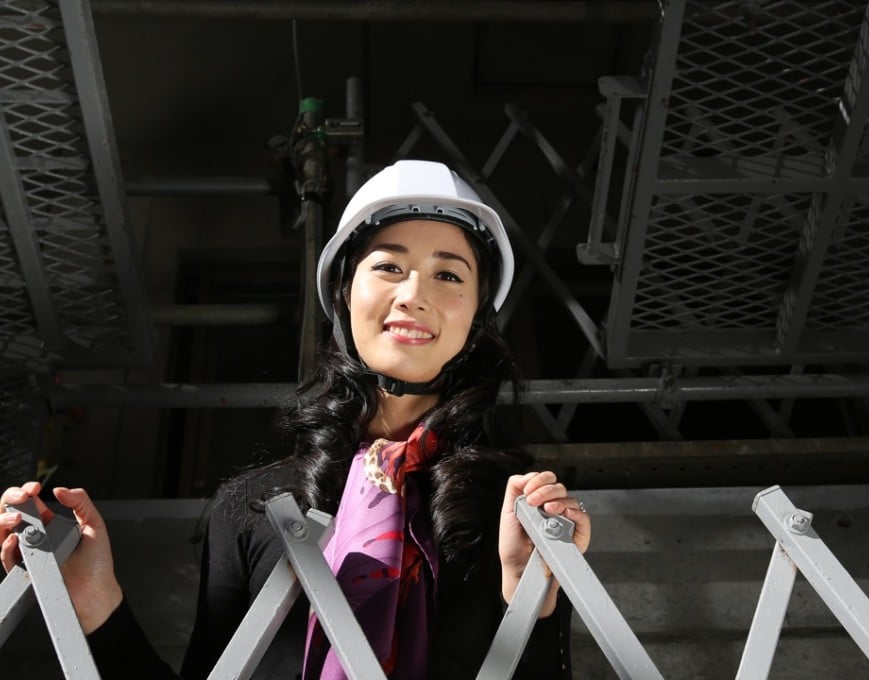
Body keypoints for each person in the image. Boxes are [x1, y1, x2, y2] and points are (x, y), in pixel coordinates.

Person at [0, 159, 591, 679]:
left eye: (449, 274)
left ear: (475, 319)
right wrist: (95, 597)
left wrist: (529, 594)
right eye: (388, 267)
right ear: (344, 295)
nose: (414, 294)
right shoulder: (251, 506)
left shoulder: (515, 509)